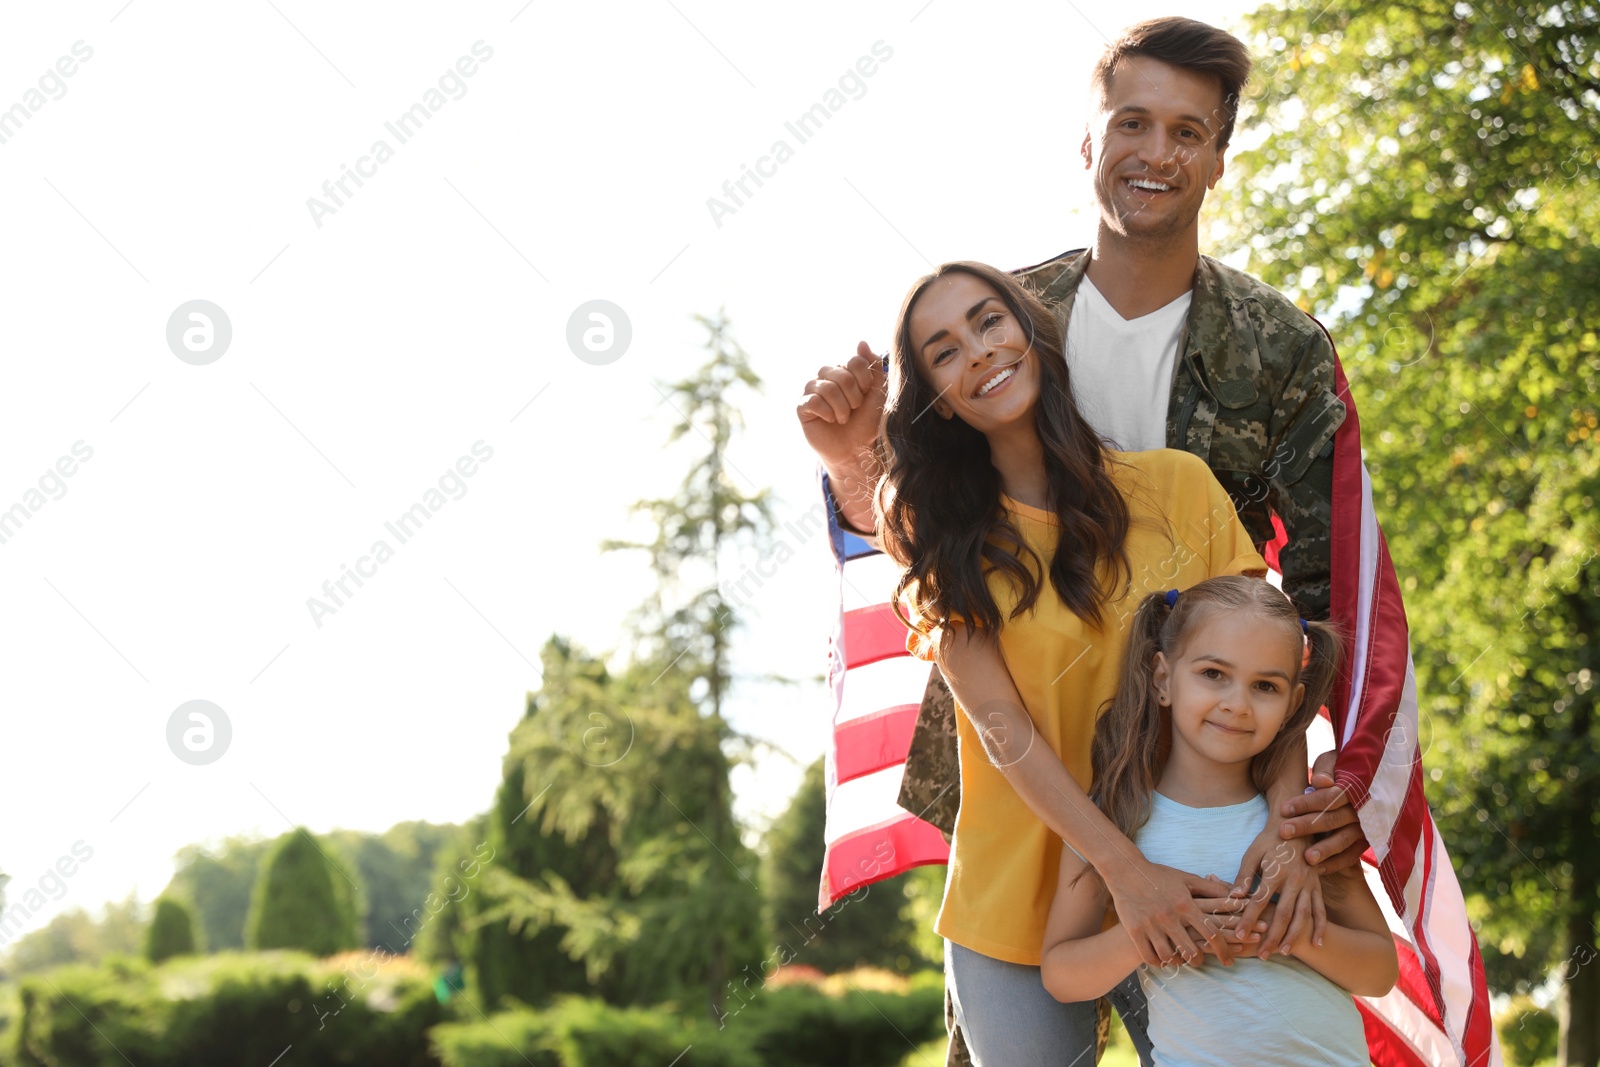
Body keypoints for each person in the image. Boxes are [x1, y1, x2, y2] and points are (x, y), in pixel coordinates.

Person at [798, 20, 1363, 1062]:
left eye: (1186, 130)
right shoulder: (1009, 311)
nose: (1155, 152)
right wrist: (847, 463)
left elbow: (1312, 615)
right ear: (1088, 141)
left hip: (1208, 833)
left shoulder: (1279, 352)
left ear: (1218, 156)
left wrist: (1294, 826)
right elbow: (911, 507)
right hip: (1026, 838)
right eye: (1131, 123)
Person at [877, 258, 1329, 1065]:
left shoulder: (1178, 488)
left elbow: (1271, 675)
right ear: (934, 401)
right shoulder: (950, 549)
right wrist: (1122, 870)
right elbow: (1003, 731)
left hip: (1198, 870)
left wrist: (1288, 828)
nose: (977, 352)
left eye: (988, 322)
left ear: (1031, 333)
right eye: (942, 352)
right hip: (1017, 892)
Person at [1041, 576, 1399, 1066]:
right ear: (1163, 679)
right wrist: (1151, 930)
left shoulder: (1300, 825)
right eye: (1213, 674)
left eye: (1265, 686)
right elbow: (1061, 973)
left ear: (1294, 704)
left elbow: (1378, 971)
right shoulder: (1116, 822)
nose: (1237, 703)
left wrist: (1280, 930)